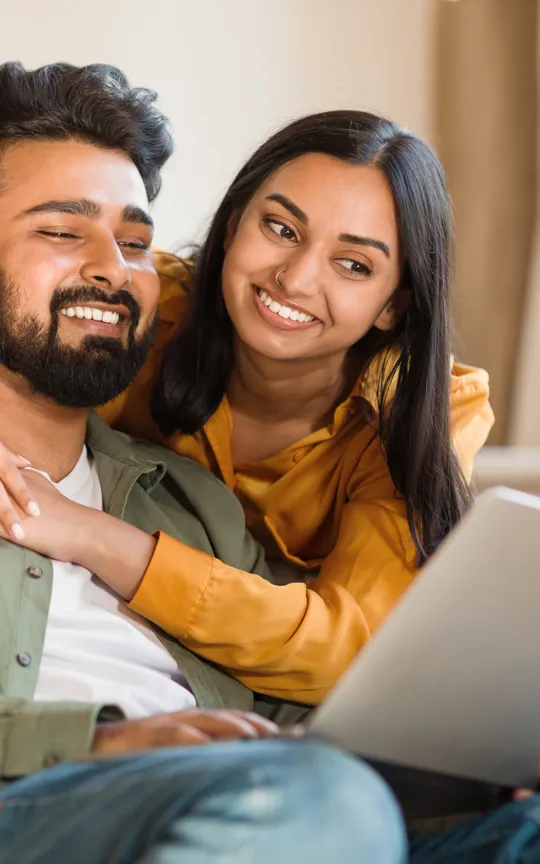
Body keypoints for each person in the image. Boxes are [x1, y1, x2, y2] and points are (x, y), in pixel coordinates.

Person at [1, 59, 540, 864]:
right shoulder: (175, 316)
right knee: (318, 796)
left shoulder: (193, 507)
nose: (113, 267)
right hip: (79, 793)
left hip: (266, 791)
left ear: (393, 303)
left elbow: (327, 684)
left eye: (137, 241)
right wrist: (97, 740)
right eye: (61, 230)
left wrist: (473, 766)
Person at [1, 108, 494, 705]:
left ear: (394, 304)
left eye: (353, 265)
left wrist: (89, 533)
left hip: (279, 678)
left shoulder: (419, 410)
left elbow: (350, 652)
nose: (296, 279)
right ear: (233, 225)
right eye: (281, 229)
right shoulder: (136, 307)